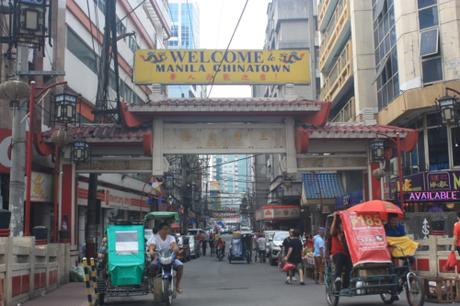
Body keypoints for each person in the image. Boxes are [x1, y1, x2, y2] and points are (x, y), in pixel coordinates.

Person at [147, 223, 184, 293]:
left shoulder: (171, 237)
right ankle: (152, 285)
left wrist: (175, 248)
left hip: (170, 258)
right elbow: (152, 246)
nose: (166, 231)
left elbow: (174, 244)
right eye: (164, 229)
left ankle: (177, 285)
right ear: (160, 230)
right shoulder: (155, 238)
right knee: (152, 266)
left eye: (167, 229)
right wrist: (151, 250)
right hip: (159, 258)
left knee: (180, 265)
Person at [330, 213, 351, 291]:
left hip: (346, 254)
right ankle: (337, 277)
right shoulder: (335, 232)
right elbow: (331, 231)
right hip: (337, 254)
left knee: (350, 265)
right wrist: (335, 219)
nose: (343, 226)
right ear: (339, 225)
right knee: (340, 256)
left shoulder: (347, 234)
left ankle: (346, 284)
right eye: (342, 225)